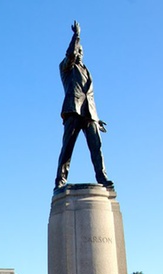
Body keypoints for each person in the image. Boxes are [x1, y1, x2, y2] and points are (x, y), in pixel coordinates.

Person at [55, 21, 112, 190]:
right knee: (67, 148)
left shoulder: (87, 71)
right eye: (78, 50)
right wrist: (76, 36)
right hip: (73, 111)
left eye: (81, 51)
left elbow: (89, 96)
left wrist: (97, 118)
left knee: (97, 148)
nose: (79, 53)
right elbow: (71, 54)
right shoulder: (67, 68)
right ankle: (60, 180)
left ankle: (102, 178)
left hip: (90, 115)